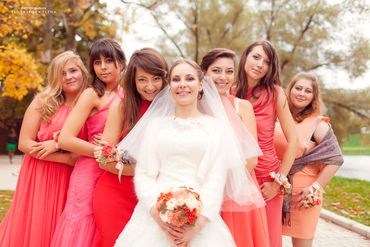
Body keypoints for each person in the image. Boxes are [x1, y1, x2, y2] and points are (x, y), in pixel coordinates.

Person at [114, 59, 264, 247]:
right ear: (170, 86)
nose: (182, 84)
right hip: (154, 215)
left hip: (200, 215)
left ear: (201, 85)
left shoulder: (215, 128)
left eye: (189, 78)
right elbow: (144, 173)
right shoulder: (155, 125)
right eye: (176, 79)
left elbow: (215, 179)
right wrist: (157, 214)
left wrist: (197, 225)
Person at [0, 51, 89, 246]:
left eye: (73, 70)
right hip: (40, 174)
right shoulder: (43, 102)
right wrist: (65, 158)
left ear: (83, 71)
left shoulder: (91, 103)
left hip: (74, 177)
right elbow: (24, 143)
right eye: (62, 73)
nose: (68, 77)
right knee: (37, 224)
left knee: (64, 227)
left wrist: (58, 145)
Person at [51, 38, 126, 247]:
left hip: (117, 173)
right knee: (84, 226)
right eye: (97, 62)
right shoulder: (92, 94)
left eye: (108, 61)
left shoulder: (129, 94)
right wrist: (104, 151)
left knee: (109, 226)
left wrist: (117, 153)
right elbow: (66, 138)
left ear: (121, 61)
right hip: (88, 173)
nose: (103, 67)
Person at [92, 48, 168, 247]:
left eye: (155, 78)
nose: (150, 86)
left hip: (154, 198)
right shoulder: (122, 107)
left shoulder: (174, 109)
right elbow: (104, 161)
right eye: (142, 80)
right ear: (133, 81)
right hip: (115, 194)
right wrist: (149, 171)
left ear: (165, 78)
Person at [200, 48, 270, 247]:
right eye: (216, 71)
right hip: (201, 190)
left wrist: (221, 191)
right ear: (204, 73)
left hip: (236, 191)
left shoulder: (242, 107)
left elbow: (251, 159)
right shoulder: (193, 107)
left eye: (229, 71)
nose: (223, 77)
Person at [233, 40, 298, 247]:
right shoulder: (229, 92)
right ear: (245, 58)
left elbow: (294, 141)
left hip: (266, 180)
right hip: (238, 176)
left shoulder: (276, 94)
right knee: (240, 238)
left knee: (268, 240)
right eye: (256, 57)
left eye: (267, 61)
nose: (260, 64)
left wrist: (278, 182)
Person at [274, 72, 343, 247]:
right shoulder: (275, 117)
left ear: (313, 97)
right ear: (289, 90)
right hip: (275, 190)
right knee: (270, 241)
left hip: (303, 194)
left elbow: (336, 159)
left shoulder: (317, 125)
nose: (301, 93)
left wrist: (316, 186)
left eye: (307, 91)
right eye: (298, 88)